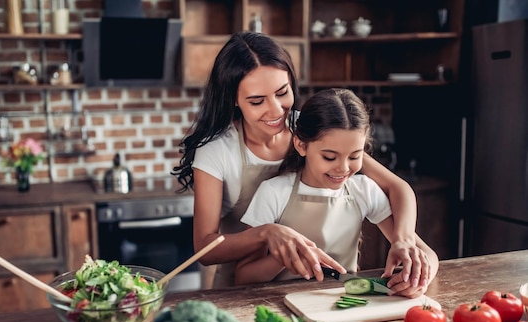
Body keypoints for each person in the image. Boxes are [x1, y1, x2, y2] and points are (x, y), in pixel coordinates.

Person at [172, 31, 430, 289]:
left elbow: (396, 187)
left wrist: (404, 239)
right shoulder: (218, 151)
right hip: (238, 288)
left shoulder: (307, 129)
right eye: (257, 101)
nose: (276, 110)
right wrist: (267, 233)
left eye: (282, 92)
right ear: (234, 100)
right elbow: (205, 249)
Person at [235, 88, 438, 297]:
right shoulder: (274, 193)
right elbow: (244, 277)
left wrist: (418, 279)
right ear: (301, 145)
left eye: (354, 157)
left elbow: (428, 255)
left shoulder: (364, 190)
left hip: (342, 304)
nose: (342, 168)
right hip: (281, 305)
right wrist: (284, 257)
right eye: (330, 157)